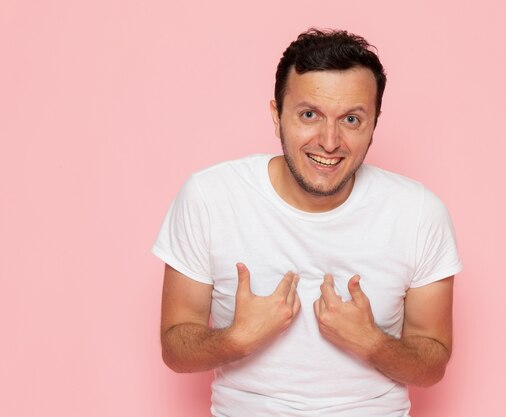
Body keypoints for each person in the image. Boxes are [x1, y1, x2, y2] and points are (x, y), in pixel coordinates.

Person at [152, 28, 462, 417]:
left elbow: (432, 364)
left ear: (374, 124)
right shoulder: (209, 198)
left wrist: (370, 341)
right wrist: (238, 338)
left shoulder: (419, 213)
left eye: (351, 118)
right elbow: (175, 350)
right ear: (276, 115)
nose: (329, 141)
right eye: (309, 115)